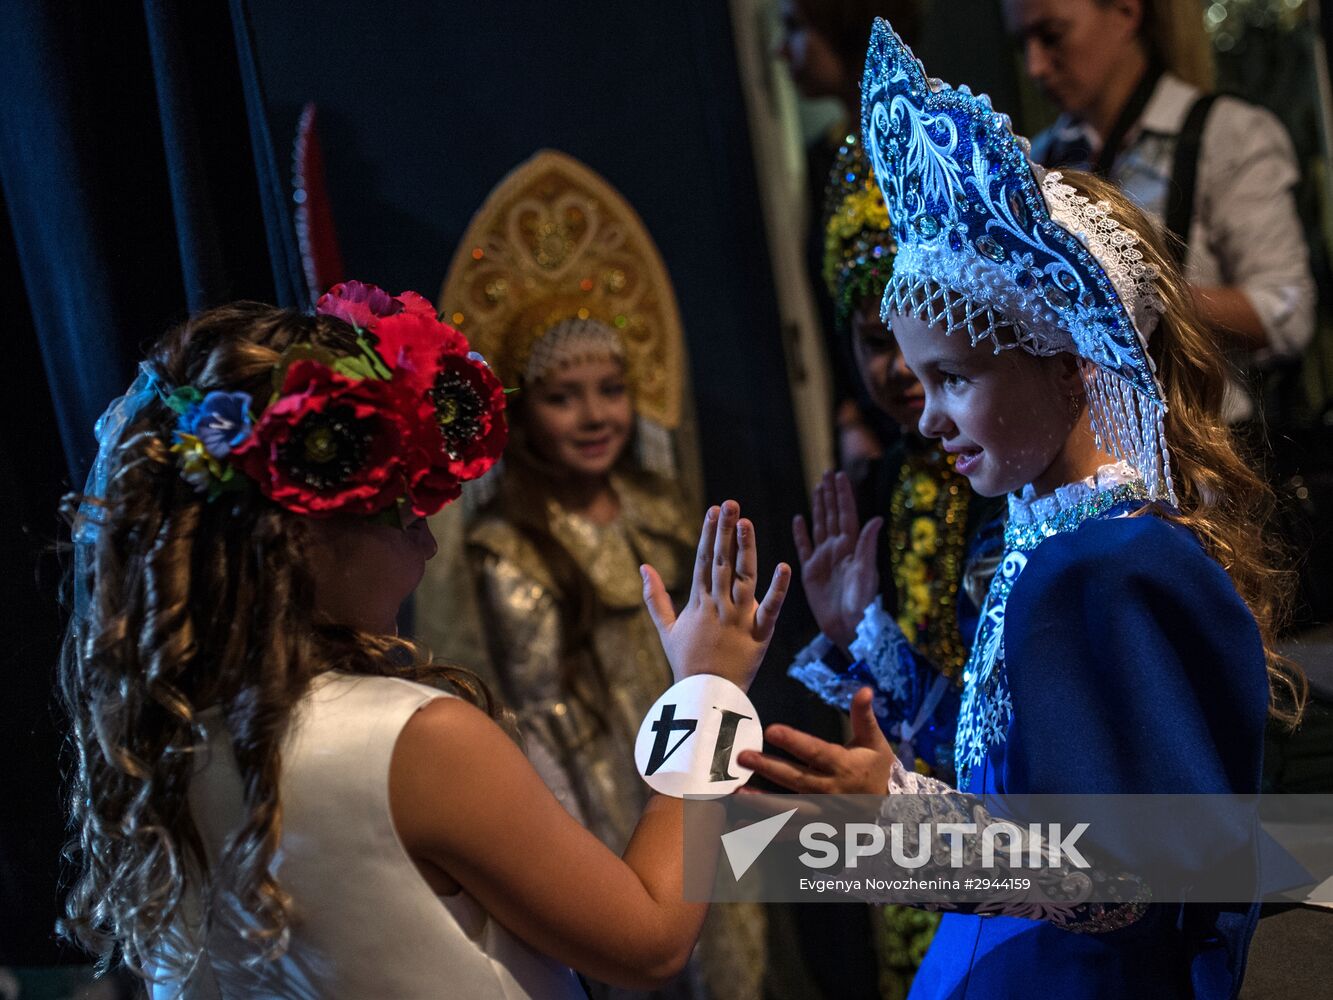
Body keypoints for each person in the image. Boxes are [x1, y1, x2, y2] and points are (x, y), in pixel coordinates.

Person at [740, 19, 1306, 998]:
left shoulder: (1106, 564)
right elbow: (1015, 775)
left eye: (954, 376)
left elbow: (1131, 875)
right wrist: (866, 649)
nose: (929, 411)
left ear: (1068, 361)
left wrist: (904, 829)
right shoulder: (1051, 545)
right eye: (917, 379)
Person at [58, 282, 791, 998]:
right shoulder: (417, 742)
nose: (429, 551)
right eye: (406, 517)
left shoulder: (164, 739)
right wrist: (706, 692)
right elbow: (651, 939)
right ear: (302, 535)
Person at [430, 149, 764, 999]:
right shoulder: (503, 544)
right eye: (563, 395)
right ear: (520, 409)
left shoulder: (662, 511)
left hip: (697, 764)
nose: (593, 416)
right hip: (583, 794)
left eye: (610, 389)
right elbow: (504, 701)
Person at [788, 134, 1005, 1000]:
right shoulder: (889, 481)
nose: (898, 370)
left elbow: (990, 725)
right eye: (875, 341)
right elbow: (908, 718)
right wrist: (854, 635)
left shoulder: (1011, 476)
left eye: (920, 339)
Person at [1007, 0, 1315, 425]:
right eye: (1021, 44)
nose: (1035, 67)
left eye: (1052, 36)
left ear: (1126, 12)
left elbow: (1287, 313)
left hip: (1207, 449)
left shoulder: (1229, 133)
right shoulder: (1038, 158)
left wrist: (1145, 292)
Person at [777, 0, 923, 467]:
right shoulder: (829, 158)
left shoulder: (932, 138)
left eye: (796, 28)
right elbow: (833, 311)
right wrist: (850, 417)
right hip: (882, 413)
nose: (782, 50)